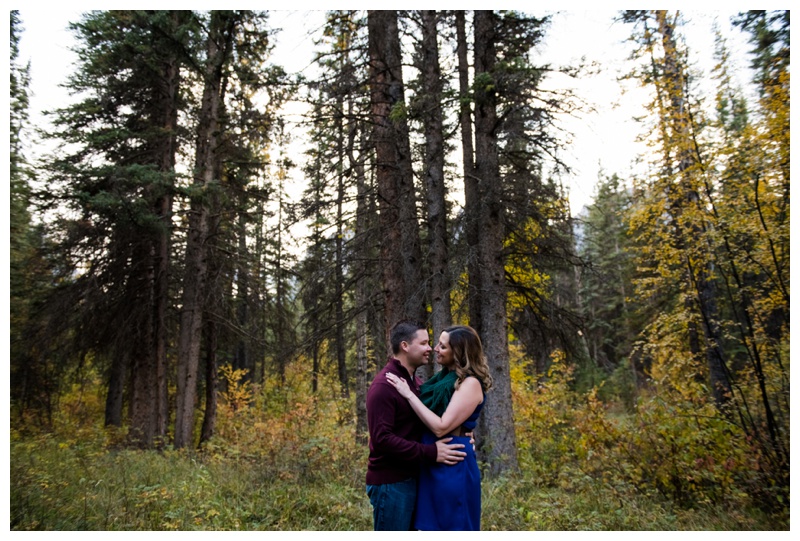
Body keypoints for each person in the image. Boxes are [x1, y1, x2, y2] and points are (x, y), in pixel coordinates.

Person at [385, 324, 492, 531]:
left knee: (451, 524)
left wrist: (408, 394)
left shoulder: (469, 383)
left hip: (452, 462)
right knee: (427, 526)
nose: (435, 348)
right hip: (432, 460)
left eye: (442, 347)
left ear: (458, 352)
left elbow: (441, 427)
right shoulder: (442, 379)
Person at [366, 321, 469, 531]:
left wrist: (464, 436)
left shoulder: (417, 384)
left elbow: (430, 423)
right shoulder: (384, 387)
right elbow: (382, 440)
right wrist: (431, 453)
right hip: (391, 483)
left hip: (414, 478)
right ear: (405, 346)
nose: (430, 348)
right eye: (424, 343)